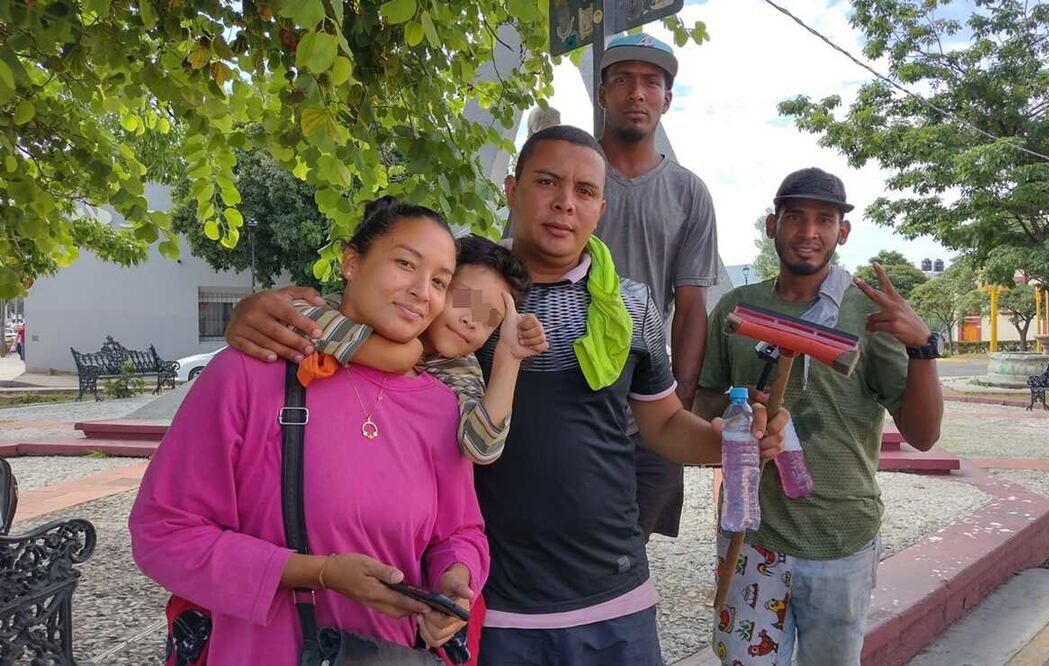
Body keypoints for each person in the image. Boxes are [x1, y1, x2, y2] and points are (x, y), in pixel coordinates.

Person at [227, 126, 790, 666]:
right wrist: (257, 314)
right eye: (547, 182)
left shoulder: (630, 306)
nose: (565, 203)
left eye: (585, 191)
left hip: (614, 588)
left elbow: (664, 424)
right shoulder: (462, 286)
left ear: (601, 210)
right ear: (512, 189)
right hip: (488, 596)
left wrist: (726, 443)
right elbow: (366, 321)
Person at [129, 200, 489, 664]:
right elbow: (164, 533)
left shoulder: (441, 405)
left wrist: (456, 580)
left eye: (440, 281)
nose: (423, 291)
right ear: (351, 262)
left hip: (392, 653)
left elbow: (461, 530)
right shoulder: (250, 374)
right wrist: (317, 573)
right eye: (405, 263)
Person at [694, 167, 944, 665]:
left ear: (842, 232)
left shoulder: (869, 317)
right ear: (772, 225)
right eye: (795, 217)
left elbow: (923, 435)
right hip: (752, 536)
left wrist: (922, 349)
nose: (808, 232)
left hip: (841, 540)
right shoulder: (737, 307)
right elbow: (704, 406)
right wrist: (745, 416)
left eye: (824, 220)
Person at [507, 34, 723, 539]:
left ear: (668, 99)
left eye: (652, 82)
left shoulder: (688, 192)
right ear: (602, 93)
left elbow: (691, 307)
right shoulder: (562, 170)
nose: (637, 93)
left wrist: (678, 400)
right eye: (622, 79)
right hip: (556, 386)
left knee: (628, 544)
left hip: (646, 393)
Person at [231, 232, 549, 466]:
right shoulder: (369, 311)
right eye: (465, 299)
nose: (470, 321)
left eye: (489, 320)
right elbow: (294, 315)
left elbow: (481, 448)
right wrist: (395, 355)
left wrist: (509, 357)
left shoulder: (460, 367)